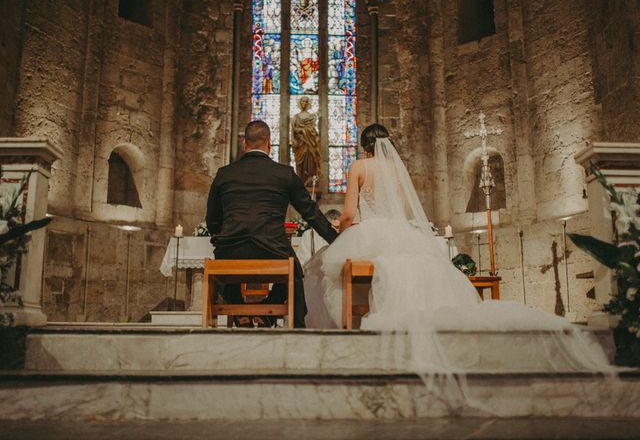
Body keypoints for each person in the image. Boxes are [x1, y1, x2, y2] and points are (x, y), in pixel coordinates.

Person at [303, 123, 612, 374]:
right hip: (399, 232)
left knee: (324, 268)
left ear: (364, 145)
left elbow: (346, 214)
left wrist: (343, 236)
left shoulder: (359, 166)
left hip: (369, 231)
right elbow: (404, 211)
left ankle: (352, 327)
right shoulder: (399, 172)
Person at [206, 120, 338, 328]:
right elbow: (310, 212)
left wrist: (222, 238)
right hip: (271, 249)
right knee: (294, 269)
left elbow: (212, 219)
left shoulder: (225, 174)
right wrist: (336, 239)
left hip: (231, 249)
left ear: (244, 144)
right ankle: (270, 310)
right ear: (269, 142)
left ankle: (239, 310)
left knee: (221, 259)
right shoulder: (284, 174)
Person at [291, 96, 321, 187]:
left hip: (310, 144)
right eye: (302, 101)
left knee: (310, 161)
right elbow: (293, 130)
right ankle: (300, 181)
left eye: (305, 102)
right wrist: (301, 131)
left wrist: (307, 131)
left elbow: (313, 131)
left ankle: (309, 180)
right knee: (300, 162)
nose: (303, 103)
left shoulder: (311, 117)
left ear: (308, 103)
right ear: (300, 103)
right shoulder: (296, 117)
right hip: (300, 144)